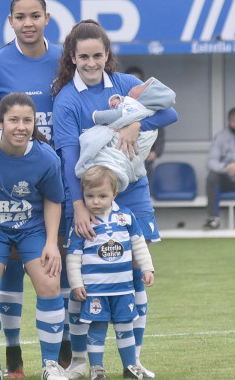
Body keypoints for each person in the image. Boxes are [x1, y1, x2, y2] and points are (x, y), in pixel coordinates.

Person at [52, 19, 178, 380]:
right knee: (83, 276)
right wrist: (77, 205)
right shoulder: (66, 100)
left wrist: (136, 124)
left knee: (135, 273)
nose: (91, 63)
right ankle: (79, 362)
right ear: (72, 58)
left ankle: (132, 362)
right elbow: (67, 157)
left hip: (131, 191)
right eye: (83, 57)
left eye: (98, 55)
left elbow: (171, 111)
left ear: (107, 55)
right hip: (87, 197)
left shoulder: (126, 85)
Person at [0, 0, 68, 378]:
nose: (28, 23)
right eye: (20, 17)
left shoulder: (67, 58)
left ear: (47, 17)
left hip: (53, 182)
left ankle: (60, 358)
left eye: (35, 15)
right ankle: (3, 359)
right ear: (10, 21)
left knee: (54, 275)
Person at [0, 92, 67, 380]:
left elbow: (53, 200)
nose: (21, 126)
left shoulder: (45, 157)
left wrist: (51, 243)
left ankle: (51, 365)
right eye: (13, 120)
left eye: (27, 120)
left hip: (32, 228)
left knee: (49, 284)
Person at [66, 166, 155, 380]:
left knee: (125, 327)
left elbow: (139, 244)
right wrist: (77, 284)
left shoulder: (125, 216)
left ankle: (130, 366)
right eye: (90, 196)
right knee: (97, 329)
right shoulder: (83, 223)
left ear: (114, 194)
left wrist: (147, 268)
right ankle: (97, 368)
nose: (96, 201)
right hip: (96, 290)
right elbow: (73, 256)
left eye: (102, 196)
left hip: (123, 288)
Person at [75, 77, 176, 192]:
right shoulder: (135, 104)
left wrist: (96, 116)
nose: (136, 85)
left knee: (97, 148)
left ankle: (109, 174)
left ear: (143, 97)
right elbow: (125, 103)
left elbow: (117, 114)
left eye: (139, 87)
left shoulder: (135, 108)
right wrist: (118, 99)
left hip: (126, 150)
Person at [124, 67, 164, 189]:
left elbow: (159, 129)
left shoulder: (150, 103)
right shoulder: (119, 102)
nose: (135, 84)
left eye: (138, 80)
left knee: (144, 190)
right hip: (123, 158)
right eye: (132, 80)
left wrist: (155, 153)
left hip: (145, 159)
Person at [202, 107, 235, 230]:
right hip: (227, 179)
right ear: (231, 122)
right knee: (212, 177)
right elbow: (211, 162)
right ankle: (213, 218)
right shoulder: (221, 137)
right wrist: (227, 168)